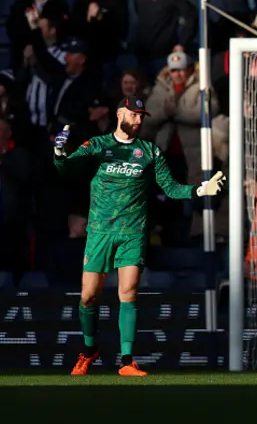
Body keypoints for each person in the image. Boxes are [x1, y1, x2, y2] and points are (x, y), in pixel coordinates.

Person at [53, 94, 226, 377]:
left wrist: (198, 190)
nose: (137, 120)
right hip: (99, 232)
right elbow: (67, 169)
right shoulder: (98, 145)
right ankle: (89, 350)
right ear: (120, 113)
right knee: (88, 297)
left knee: (128, 292)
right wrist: (59, 155)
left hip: (132, 232)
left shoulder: (149, 151)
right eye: (133, 114)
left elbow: (170, 188)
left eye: (141, 116)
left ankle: (126, 360)